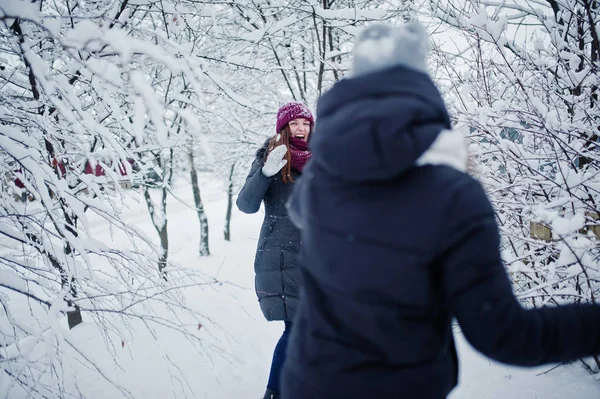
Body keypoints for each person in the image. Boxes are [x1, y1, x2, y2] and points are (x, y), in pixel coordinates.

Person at [280, 21, 600, 399]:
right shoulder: (452, 197)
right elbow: (505, 335)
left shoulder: (322, 186)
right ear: (422, 100)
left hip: (307, 385)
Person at [236, 101, 314, 399]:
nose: (301, 129)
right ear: (283, 127)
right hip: (283, 255)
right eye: (295, 123)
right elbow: (246, 205)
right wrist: (266, 174)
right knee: (296, 329)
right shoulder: (270, 157)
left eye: (306, 123)